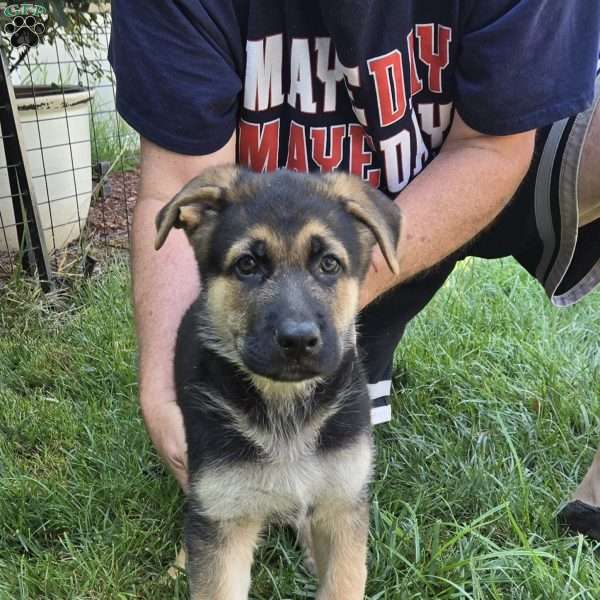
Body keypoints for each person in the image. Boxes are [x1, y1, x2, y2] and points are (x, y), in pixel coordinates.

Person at [108, 1, 600, 538]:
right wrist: (166, 385)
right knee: (295, 453)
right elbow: (182, 180)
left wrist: (332, 294)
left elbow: (490, 145)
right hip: (280, 213)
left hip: (483, 153)